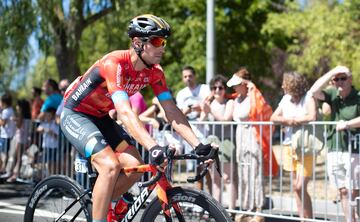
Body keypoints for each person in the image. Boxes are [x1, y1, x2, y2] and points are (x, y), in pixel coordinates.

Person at [59, 14, 217, 222]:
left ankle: (104, 206)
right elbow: (124, 112)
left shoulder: (155, 73)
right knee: (109, 166)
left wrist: (198, 145)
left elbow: (171, 110)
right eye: (157, 41)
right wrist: (153, 146)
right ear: (137, 43)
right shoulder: (114, 63)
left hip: (100, 116)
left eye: (164, 41)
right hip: (76, 114)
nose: (162, 47)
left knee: (135, 165)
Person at [309, 65, 360, 222]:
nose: (339, 82)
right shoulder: (332, 94)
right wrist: (332, 71)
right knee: (343, 191)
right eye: (336, 79)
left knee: (354, 191)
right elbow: (313, 91)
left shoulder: (358, 96)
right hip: (334, 148)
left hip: (354, 149)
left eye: (343, 78)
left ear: (350, 80)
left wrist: (347, 124)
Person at [228, 67, 277, 222]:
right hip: (240, 135)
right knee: (243, 172)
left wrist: (252, 86)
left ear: (244, 83)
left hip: (253, 135)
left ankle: (259, 209)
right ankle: (246, 207)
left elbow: (261, 108)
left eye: (237, 84)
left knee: (255, 172)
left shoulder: (254, 97)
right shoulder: (236, 99)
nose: (234, 87)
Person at [270, 72, 317, 219]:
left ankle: (308, 219)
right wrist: (288, 120)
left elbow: (312, 116)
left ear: (293, 84)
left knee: (300, 186)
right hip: (289, 146)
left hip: (306, 146)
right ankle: (302, 218)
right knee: (296, 189)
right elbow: (273, 117)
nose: (283, 86)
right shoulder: (285, 99)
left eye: (285, 83)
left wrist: (294, 120)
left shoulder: (308, 97)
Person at [199, 74, 238, 210]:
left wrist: (211, 110)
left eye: (220, 87)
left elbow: (226, 121)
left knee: (227, 178)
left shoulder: (230, 103)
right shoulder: (209, 104)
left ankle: (232, 210)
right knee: (215, 179)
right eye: (214, 88)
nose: (216, 90)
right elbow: (201, 121)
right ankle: (217, 210)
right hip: (212, 142)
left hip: (226, 142)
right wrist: (204, 110)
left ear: (224, 90)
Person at [176, 65, 210, 172]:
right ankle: (198, 188)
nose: (188, 79)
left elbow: (208, 106)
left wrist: (191, 108)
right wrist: (192, 109)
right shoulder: (181, 94)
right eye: (185, 77)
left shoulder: (204, 89)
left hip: (204, 130)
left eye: (190, 76)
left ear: (195, 76)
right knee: (194, 167)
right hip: (190, 130)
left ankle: (208, 188)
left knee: (206, 164)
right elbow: (179, 113)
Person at [3, 99, 32, 182]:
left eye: (18, 105)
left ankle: (13, 174)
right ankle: (12, 173)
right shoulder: (27, 115)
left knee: (17, 157)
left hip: (20, 138)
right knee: (17, 156)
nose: (16, 107)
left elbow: (19, 126)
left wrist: (14, 121)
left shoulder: (21, 115)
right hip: (23, 137)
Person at [0, 94, 16, 174]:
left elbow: (2, 123)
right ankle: (3, 169)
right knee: (4, 153)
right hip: (8, 135)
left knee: (3, 153)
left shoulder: (6, 111)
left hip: (5, 136)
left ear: (4, 102)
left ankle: (2, 169)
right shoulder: (10, 110)